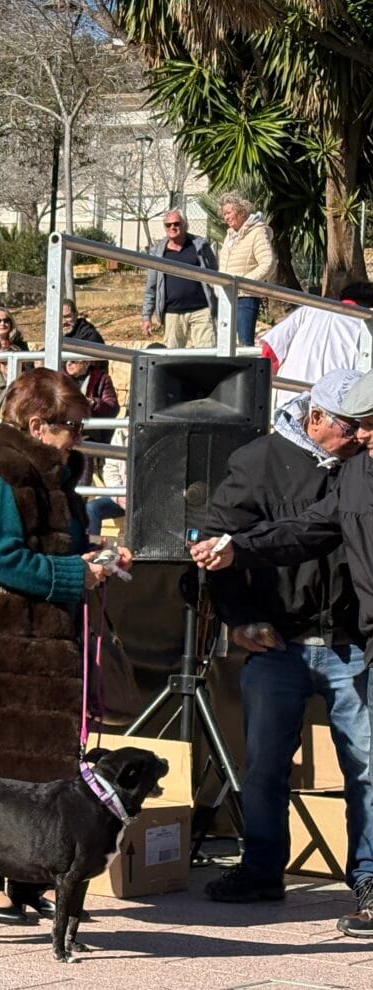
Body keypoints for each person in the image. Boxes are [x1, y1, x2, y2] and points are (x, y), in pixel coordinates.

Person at [0, 368, 130, 923]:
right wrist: (77, 576)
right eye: (72, 425)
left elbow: (51, 543)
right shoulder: (3, 473)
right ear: (37, 423)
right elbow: (0, 557)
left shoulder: (49, 472)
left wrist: (100, 554)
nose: (79, 435)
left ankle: (27, 883)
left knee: (41, 766)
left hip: (33, 639)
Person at [191, 369, 373, 936]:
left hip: (354, 645)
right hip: (281, 646)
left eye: (365, 428)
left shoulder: (357, 467)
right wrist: (240, 616)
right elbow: (255, 537)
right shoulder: (259, 462)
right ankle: (262, 869)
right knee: (266, 766)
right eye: (353, 428)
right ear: (316, 418)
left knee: (366, 768)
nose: (359, 437)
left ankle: (368, 879)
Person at [260, 282, 373, 383]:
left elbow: (270, 349)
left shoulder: (309, 310)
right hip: (335, 399)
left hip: (291, 395)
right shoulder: (366, 323)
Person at [141, 208, 218, 347]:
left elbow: (216, 275)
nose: (172, 227)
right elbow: (151, 287)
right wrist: (146, 317)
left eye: (176, 223)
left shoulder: (200, 246)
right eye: (168, 225)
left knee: (207, 355)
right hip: (172, 314)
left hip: (201, 310)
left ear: (184, 224)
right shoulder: (158, 252)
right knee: (173, 358)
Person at [218, 192, 278, 346]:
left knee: (244, 343)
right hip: (227, 296)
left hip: (246, 296)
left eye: (229, 212)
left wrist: (244, 282)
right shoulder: (229, 236)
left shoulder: (257, 232)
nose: (226, 217)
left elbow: (268, 262)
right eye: (224, 214)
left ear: (241, 211)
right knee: (226, 344)